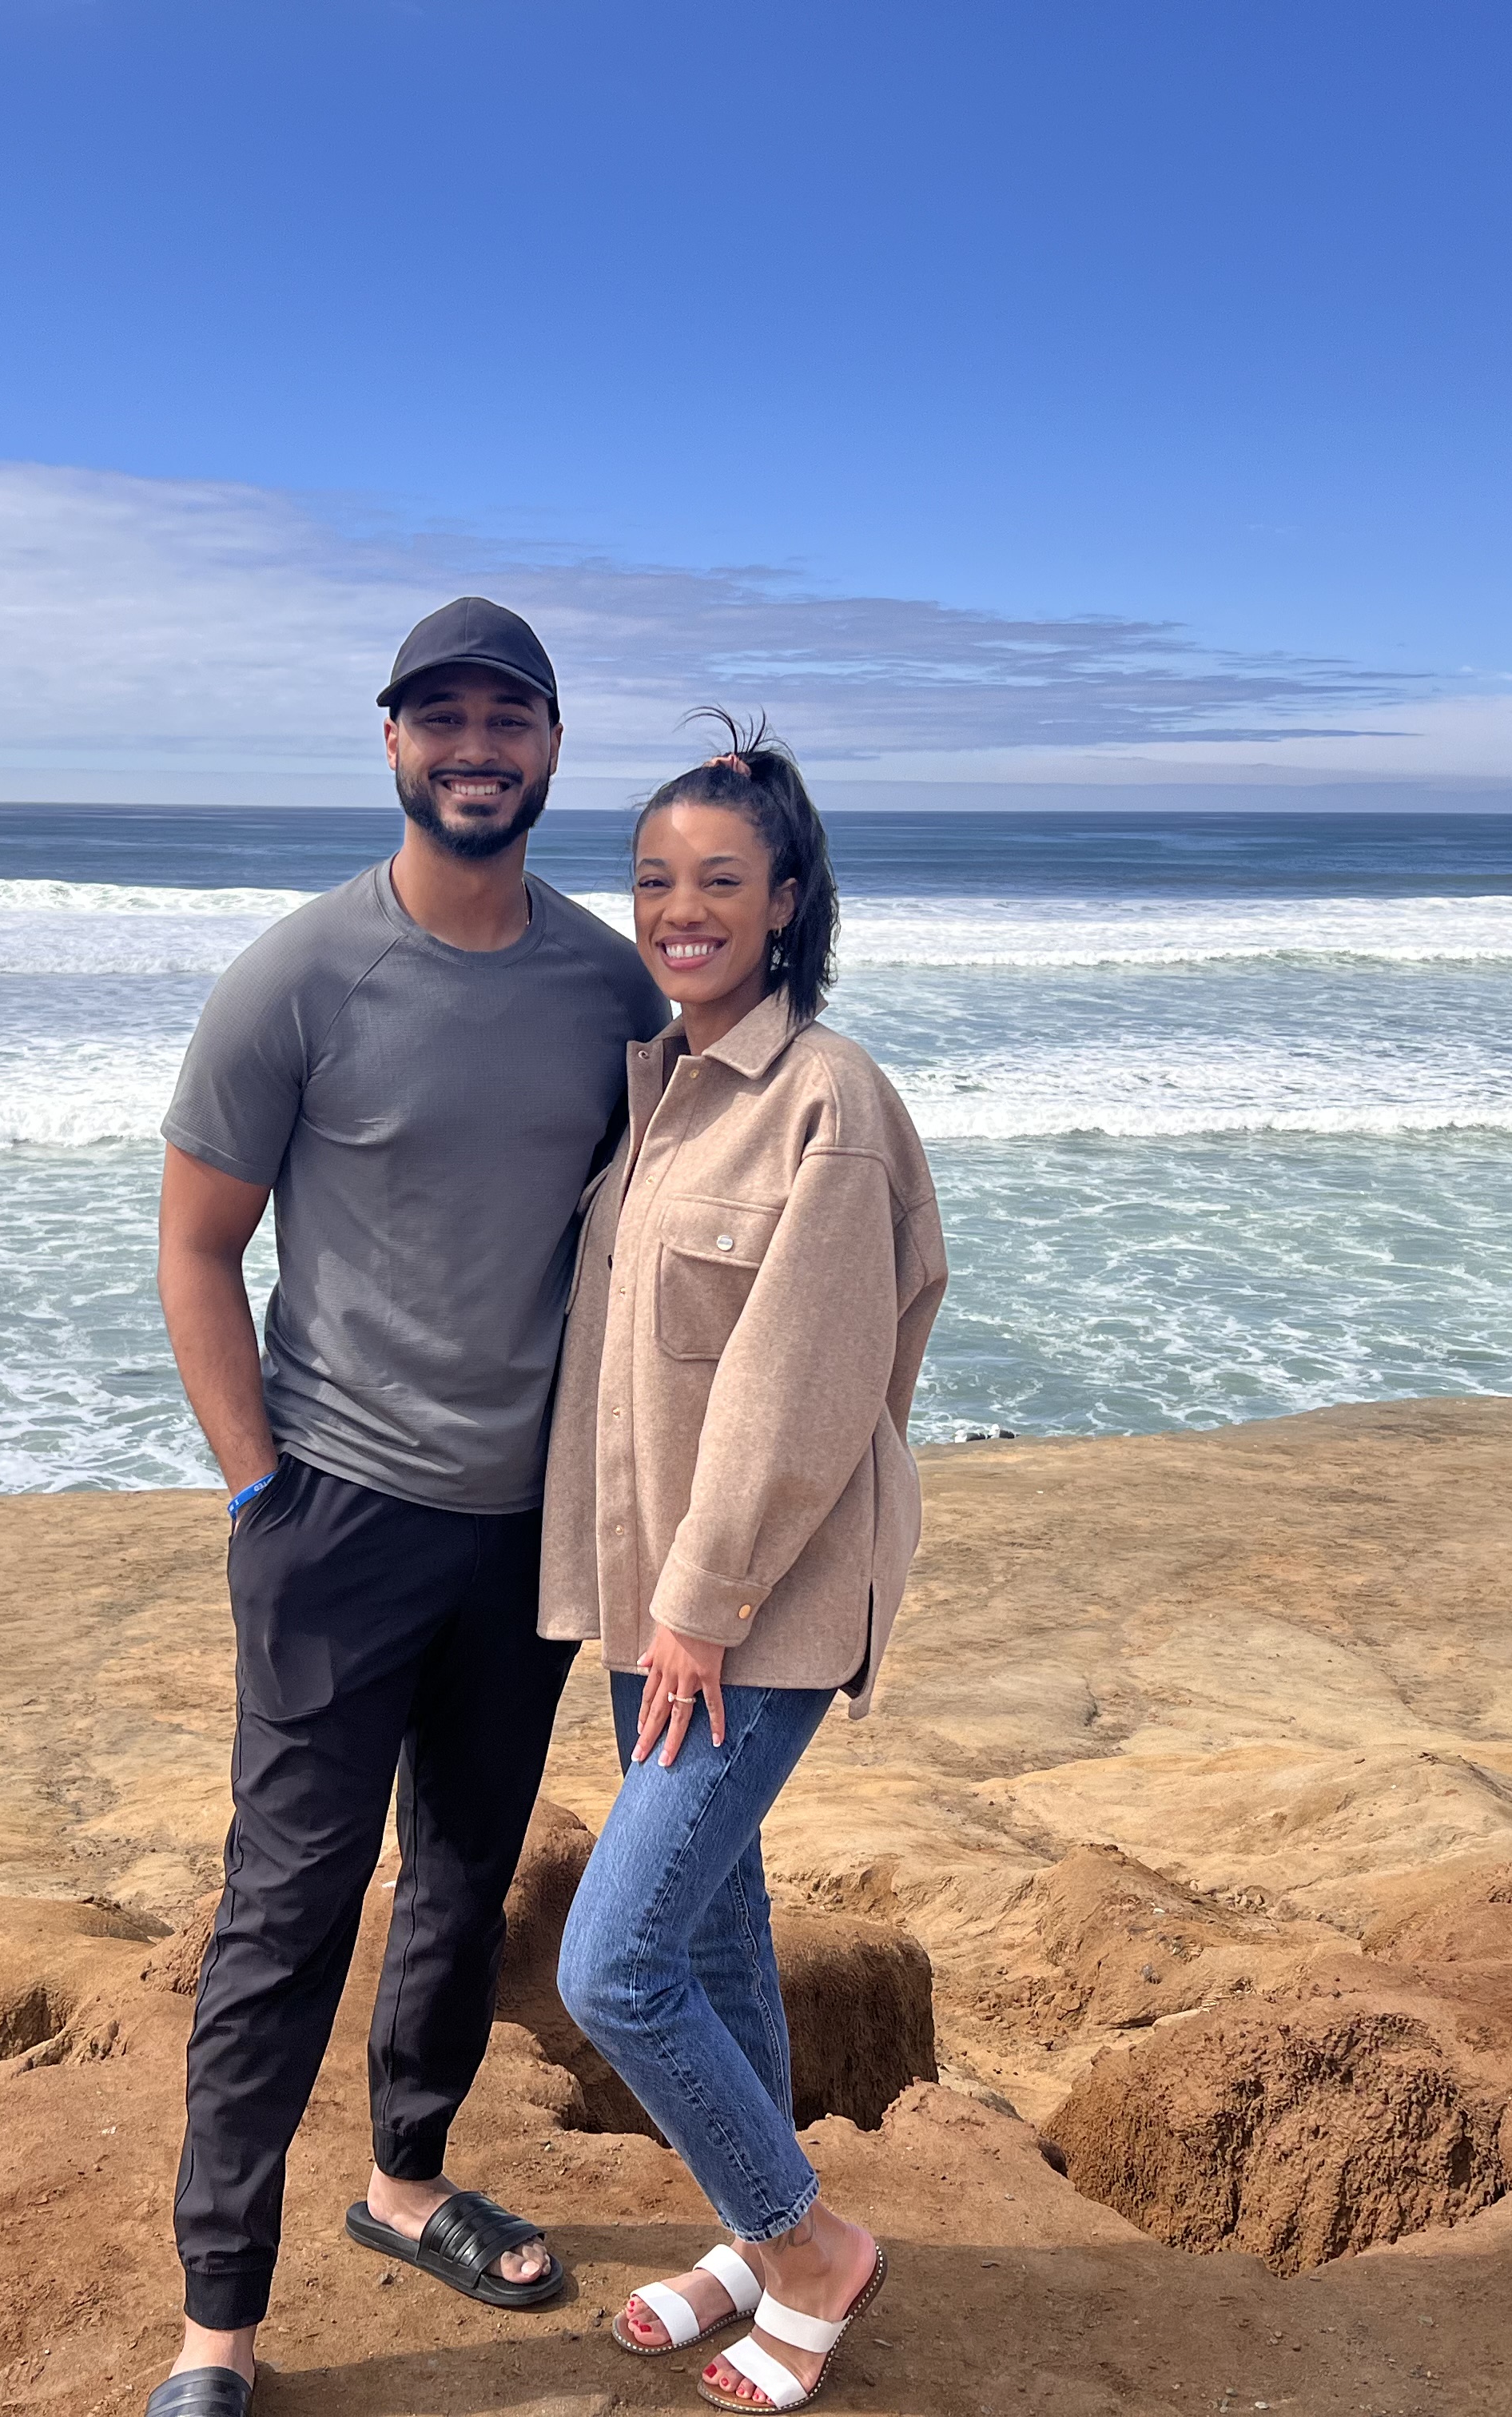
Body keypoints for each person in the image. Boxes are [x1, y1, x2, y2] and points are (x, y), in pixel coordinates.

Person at [145, 599, 664, 2417]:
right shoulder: (295, 978)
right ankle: (219, 2325)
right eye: (437, 716)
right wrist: (260, 1493)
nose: (473, 746)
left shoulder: (611, 991)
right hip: (335, 1520)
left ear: (548, 746)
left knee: (461, 1874)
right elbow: (197, 1247)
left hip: (522, 1534)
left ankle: (409, 2181)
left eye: (503, 717)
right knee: (284, 1906)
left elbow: (662, 1240)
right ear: (390, 746)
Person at [540, 719, 947, 2414]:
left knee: (612, 1963)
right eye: (653, 880)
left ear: (788, 901)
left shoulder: (825, 1104)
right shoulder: (663, 1089)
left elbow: (801, 1385)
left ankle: (808, 2248)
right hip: (659, 1598)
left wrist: (701, 1609)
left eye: (719, 880)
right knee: (712, 1938)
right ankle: (749, 2222)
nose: (679, 908)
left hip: (748, 1615)